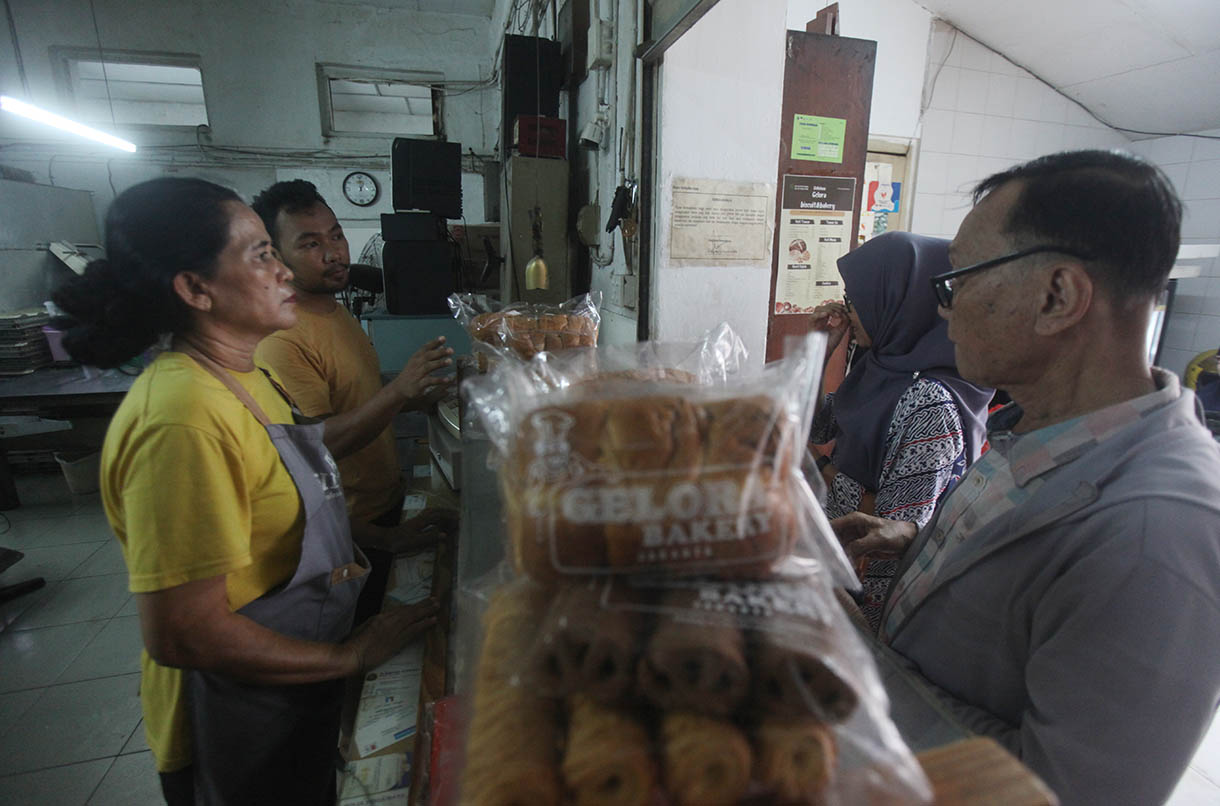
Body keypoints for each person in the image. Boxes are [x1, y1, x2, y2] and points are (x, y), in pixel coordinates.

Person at [833, 150, 1220, 805]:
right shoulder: (1041, 424)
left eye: (958, 279)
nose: (945, 309)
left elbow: (1066, 793)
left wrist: (848, 655)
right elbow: (1032, 573)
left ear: (1057, 295)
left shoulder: (1163, 532)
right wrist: (921, 539)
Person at [52, 177, 440, 806]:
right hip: (232, 711)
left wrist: (383, 537)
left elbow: (286, 503)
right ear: (194, 288)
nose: (284, 270)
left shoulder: (243, 373)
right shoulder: (180, 417)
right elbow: (185, 633)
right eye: (263, 254)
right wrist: (351, 658)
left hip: (290, 677)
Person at [250, 179, 454, 624]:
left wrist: (421, 397)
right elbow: (317, 447)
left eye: (336, 235)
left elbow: (354, 395)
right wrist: (399, 390)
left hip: (383, 508)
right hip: (347, 533)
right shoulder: (284, 337)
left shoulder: (333, 309)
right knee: (358, 640)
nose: (334, 253)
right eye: (310, 243)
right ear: (274, 255)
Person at [808, 231, 993, 630]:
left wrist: (820, 471)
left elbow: (889, 538)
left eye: (854, 302)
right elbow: (816, 425)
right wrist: (819, 352)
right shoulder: (880, 367)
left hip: (860, 598)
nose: (848, 312)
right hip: (831, 569)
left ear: (896, 302)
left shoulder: (929, 403)